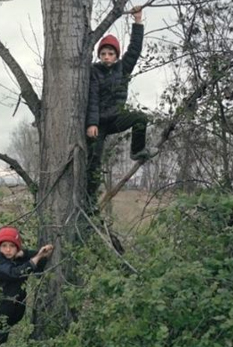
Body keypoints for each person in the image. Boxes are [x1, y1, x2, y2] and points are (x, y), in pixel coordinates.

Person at [86, 5, 151, 202]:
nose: (107, 57)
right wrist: (92, 124)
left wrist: (138, 21)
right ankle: (89, 200)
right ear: (100, 55)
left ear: (116, 55)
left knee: (140, 118)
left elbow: (135, 49)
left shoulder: (123, 69)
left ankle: (137, 151)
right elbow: (93, 99)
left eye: (111, 53)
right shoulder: (94, 71)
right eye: (103, 53)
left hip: (116, 119)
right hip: (99, 125)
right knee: (94, 161)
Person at [0, 226, 54, 347]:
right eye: (4, 246)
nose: (8, 250)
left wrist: (26, 253)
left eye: (12, 246)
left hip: (9, 318)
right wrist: (36, 258)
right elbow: (16, 273)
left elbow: (39, 260)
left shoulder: (18, 259)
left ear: (17, 248)